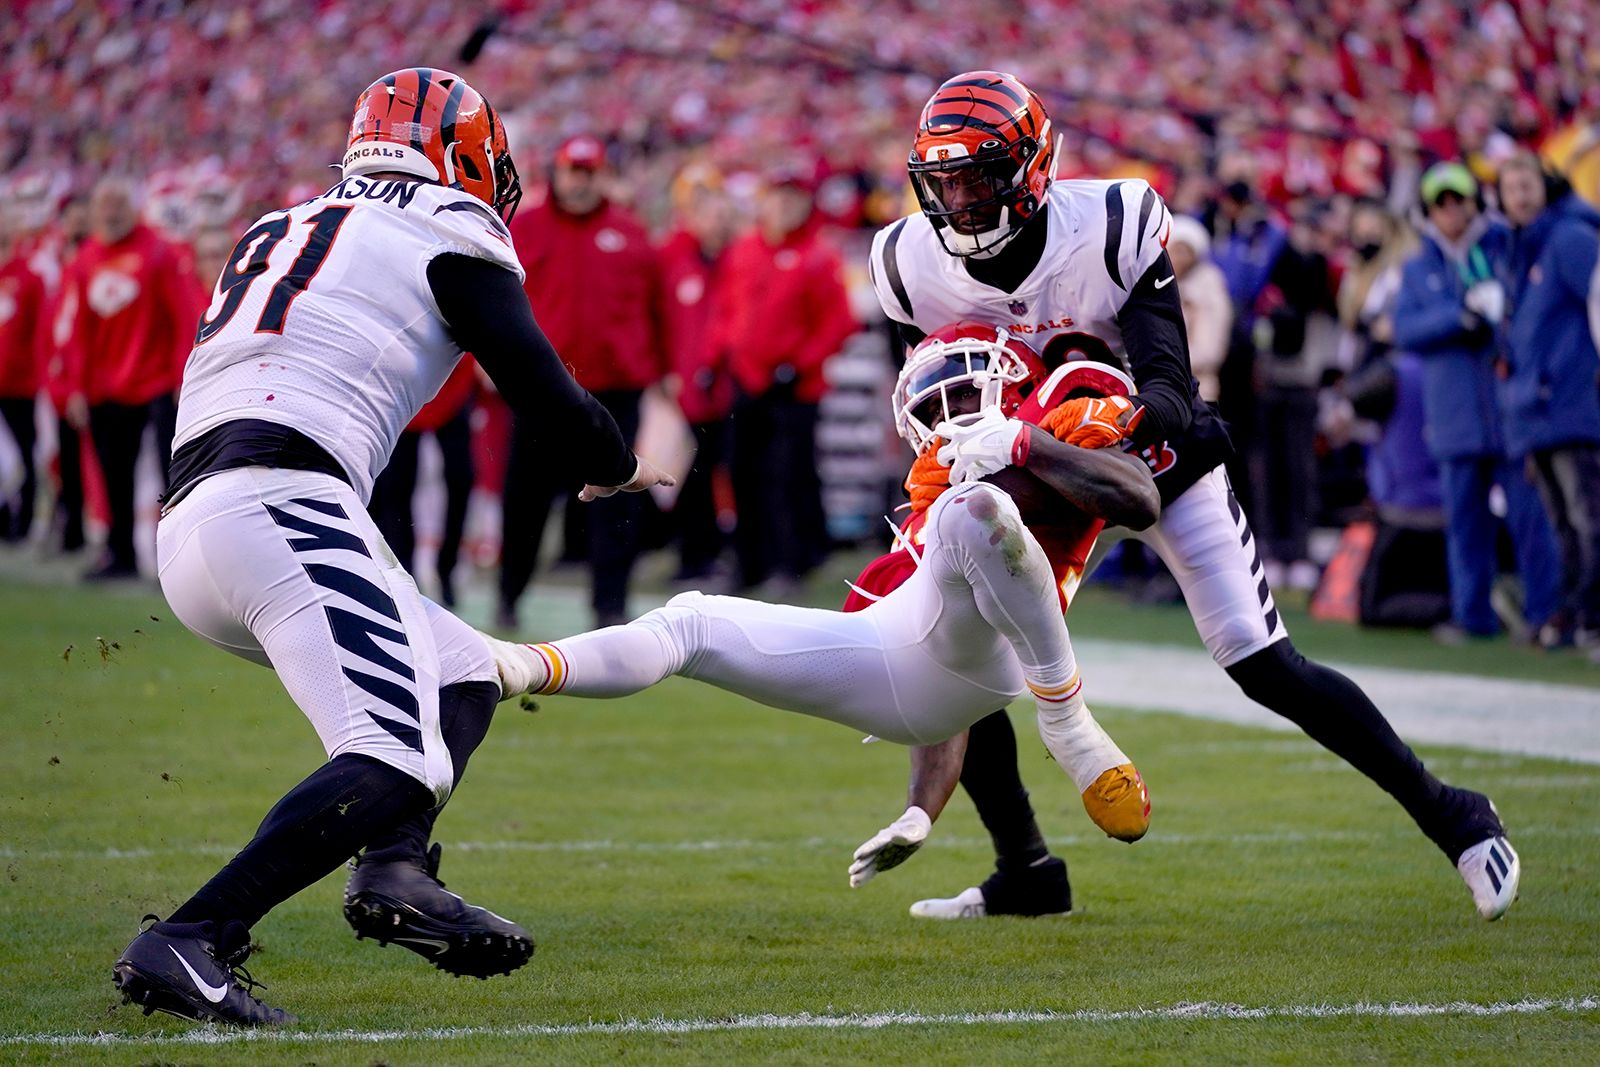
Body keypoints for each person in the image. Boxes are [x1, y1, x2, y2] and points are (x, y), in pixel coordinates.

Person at [865, 72, 1519, 923]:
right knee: (956, 638)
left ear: (1030, 169)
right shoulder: (908, 264)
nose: (958, 199)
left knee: (1258, 657)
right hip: (1021, 474)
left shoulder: (1108, 226)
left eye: (979, 175)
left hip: (1144, 457)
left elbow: (1172, 387)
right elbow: (925, 397)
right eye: (943, 180)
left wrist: (1072, 437)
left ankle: (1457, 816)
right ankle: (1026, 868)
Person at [111, 68, 673, 1027]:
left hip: (206, 513)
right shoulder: (448, 227)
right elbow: (541, 389)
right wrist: (617, 460)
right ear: (465, 155)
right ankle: (195, 935)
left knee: (461, 669)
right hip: (284, 501)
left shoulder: (276, 224)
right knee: (400, 755)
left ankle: (396, 871)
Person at [494, 325, 1159, 868]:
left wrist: (1024, 442)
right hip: (913, 667)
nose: (946, 418)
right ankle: (520, 665)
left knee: (974, 507)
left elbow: (1136, 497)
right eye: (930, 410)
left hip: (1013, 655)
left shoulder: (1057, 418)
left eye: (959, 397)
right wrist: (920, 810)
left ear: (1013, 389)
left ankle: (1069, 720)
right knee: (690, 621)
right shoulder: (932, 484)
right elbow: (944, 673)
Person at [499, 133, 669, 629]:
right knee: (526, 501)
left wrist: (663, 370)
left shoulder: (630, 234)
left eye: (588, 171)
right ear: (556, 172)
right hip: (541, 389)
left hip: (614, 391)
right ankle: (510, 594)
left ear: (602, 175)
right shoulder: (524, 230)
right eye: (572, 170)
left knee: (616, 498)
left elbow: (656, 309)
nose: (580, 180)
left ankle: (610, 604)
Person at [1391, 161, 1560, 644]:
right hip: (1455, 418)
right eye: (1441, 202)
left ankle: (1544, 615)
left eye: (1458, 200)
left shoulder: (1502, 247)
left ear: (1473, 202)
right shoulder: (1419, 266)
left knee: (1530, 520)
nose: (1451, 210)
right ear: (1429, 209)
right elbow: (1405, 330)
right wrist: (1458, 315)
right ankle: (1473, 617)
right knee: (1466, 526)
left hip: (1509, 413)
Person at [714, 170, 858, 593]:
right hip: (747, 380)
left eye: (792, 199)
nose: (782, 208)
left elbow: (839, 321)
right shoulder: (744, 250)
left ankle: (788, 563)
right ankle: (747, 563)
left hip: (794, 388)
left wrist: (801, 363)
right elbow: (727, 311)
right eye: (776, 198)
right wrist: (718, 355)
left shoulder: (819, 255)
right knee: (740, 473)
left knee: (786, 476)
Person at [59, 178, 202, 578]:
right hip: (105, 388)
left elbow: (181, 319)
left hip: (155, 383)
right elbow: (78, 330)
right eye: (104, 204)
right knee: (112, 474)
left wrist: (180, 378)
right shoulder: (86, 258)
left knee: (170, 473)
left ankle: (177, 562)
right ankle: (118, 554)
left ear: (132, 206)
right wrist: (76, 387)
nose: (111, 212)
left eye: (118, 202)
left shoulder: (158, 252)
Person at [1496, 151, 1600, 654]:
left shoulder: (1569, 238)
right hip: (1536, 408)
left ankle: (1591, 617)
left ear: (1547, 184)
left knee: (1586, 516)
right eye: (1509, 186)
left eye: (1526, 183)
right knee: (1563, 522)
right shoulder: (1524, 248)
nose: (1518, 194)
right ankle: (1575, 614)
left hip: (1568, 404)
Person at [657, 163, 735, 583]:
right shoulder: (673, 258)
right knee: (683, 479)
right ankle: (689, 557)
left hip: (721, 391)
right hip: (682, 392)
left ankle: (710, 555)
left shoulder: (732, 260)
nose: (716, 223)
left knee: (717, 477)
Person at [368, 358, 477, 606]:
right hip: (407, 375)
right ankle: (404, 573)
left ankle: (447, 569)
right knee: (396, 485)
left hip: (453, 371)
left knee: (461, 479)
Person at [0, 215, 47, 542]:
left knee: (25, 452)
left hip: (20, 384)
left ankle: (25, 519)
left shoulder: (28, 276)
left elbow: (39, 332)